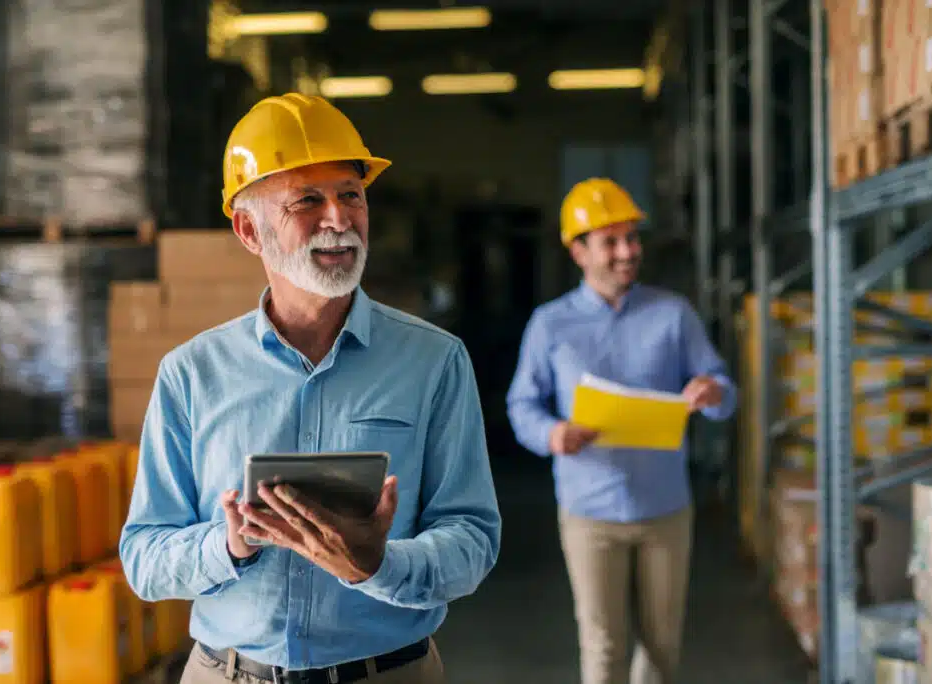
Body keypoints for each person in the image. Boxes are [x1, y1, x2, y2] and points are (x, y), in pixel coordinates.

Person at [120, 93, 501, 684]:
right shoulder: (192, 374)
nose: (339, 219)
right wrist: (229, 544)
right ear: (249, 230)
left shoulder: (434, 362)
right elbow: (144, 557)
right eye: (308, 200)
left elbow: (473, 538)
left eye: (351, 194)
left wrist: (380, 564)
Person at [505, 178, 736, 684]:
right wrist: (552, 434)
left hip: (666, 511)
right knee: (603, 648)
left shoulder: (673, 314)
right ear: (578, 251)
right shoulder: (550, 325)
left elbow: (724, 389)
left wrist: (713, 392)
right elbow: (522, 405)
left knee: (661, 647)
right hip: (590, 515)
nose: (628, 252)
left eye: (632, 238)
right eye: (611, 241)